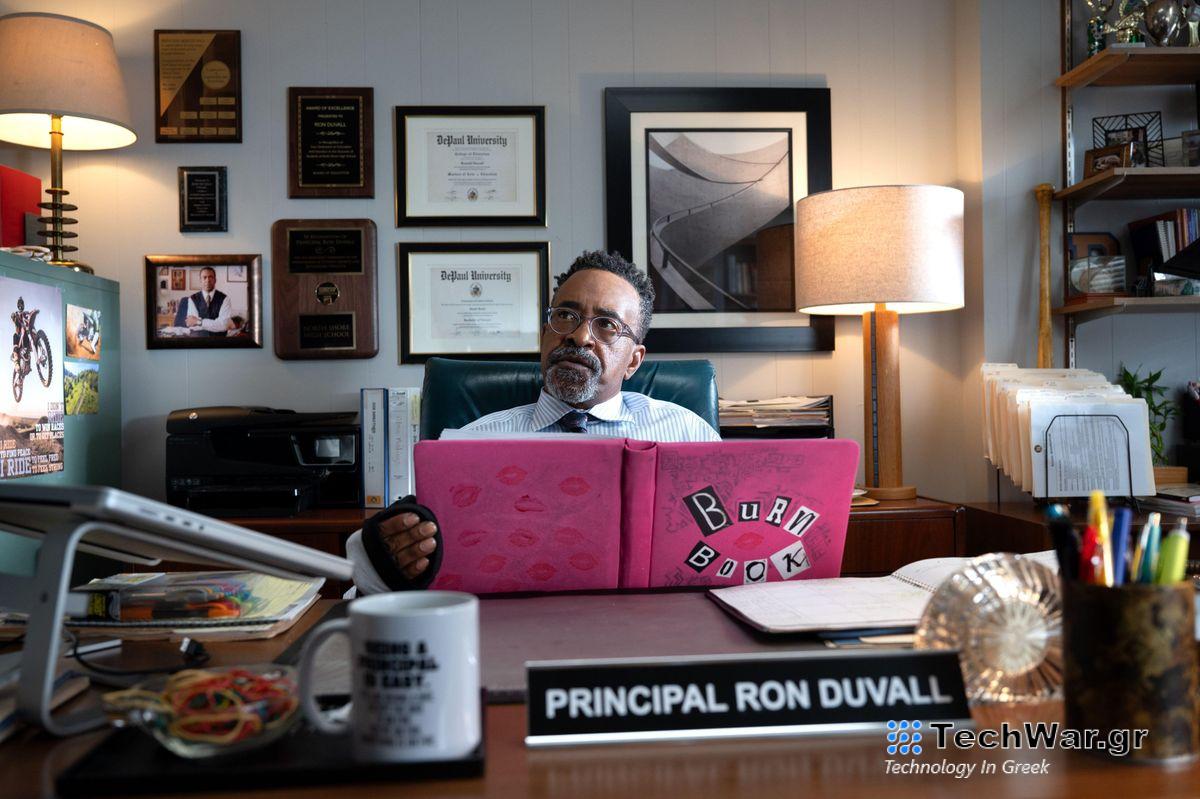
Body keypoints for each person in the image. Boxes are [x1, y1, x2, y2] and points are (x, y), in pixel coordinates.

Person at [347, 250, 720, 594]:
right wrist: (386, 559)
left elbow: (724, 543)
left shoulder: (687, 434)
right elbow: (368, 583)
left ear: (634, 361)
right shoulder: (471, 445)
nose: (578, 336)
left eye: (606, 325)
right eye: (565, 316)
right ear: (545, 334)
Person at [172, 267, 231, 335]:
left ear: (215, 280)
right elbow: (192, 325)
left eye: (210, 277)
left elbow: (224, 325)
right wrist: (216, 325)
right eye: (204, 277)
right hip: (198, 340)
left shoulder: (225, 299)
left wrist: (199, 322)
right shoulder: (192, 299)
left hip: (218, 341)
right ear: (200, 280)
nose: (207, 280)